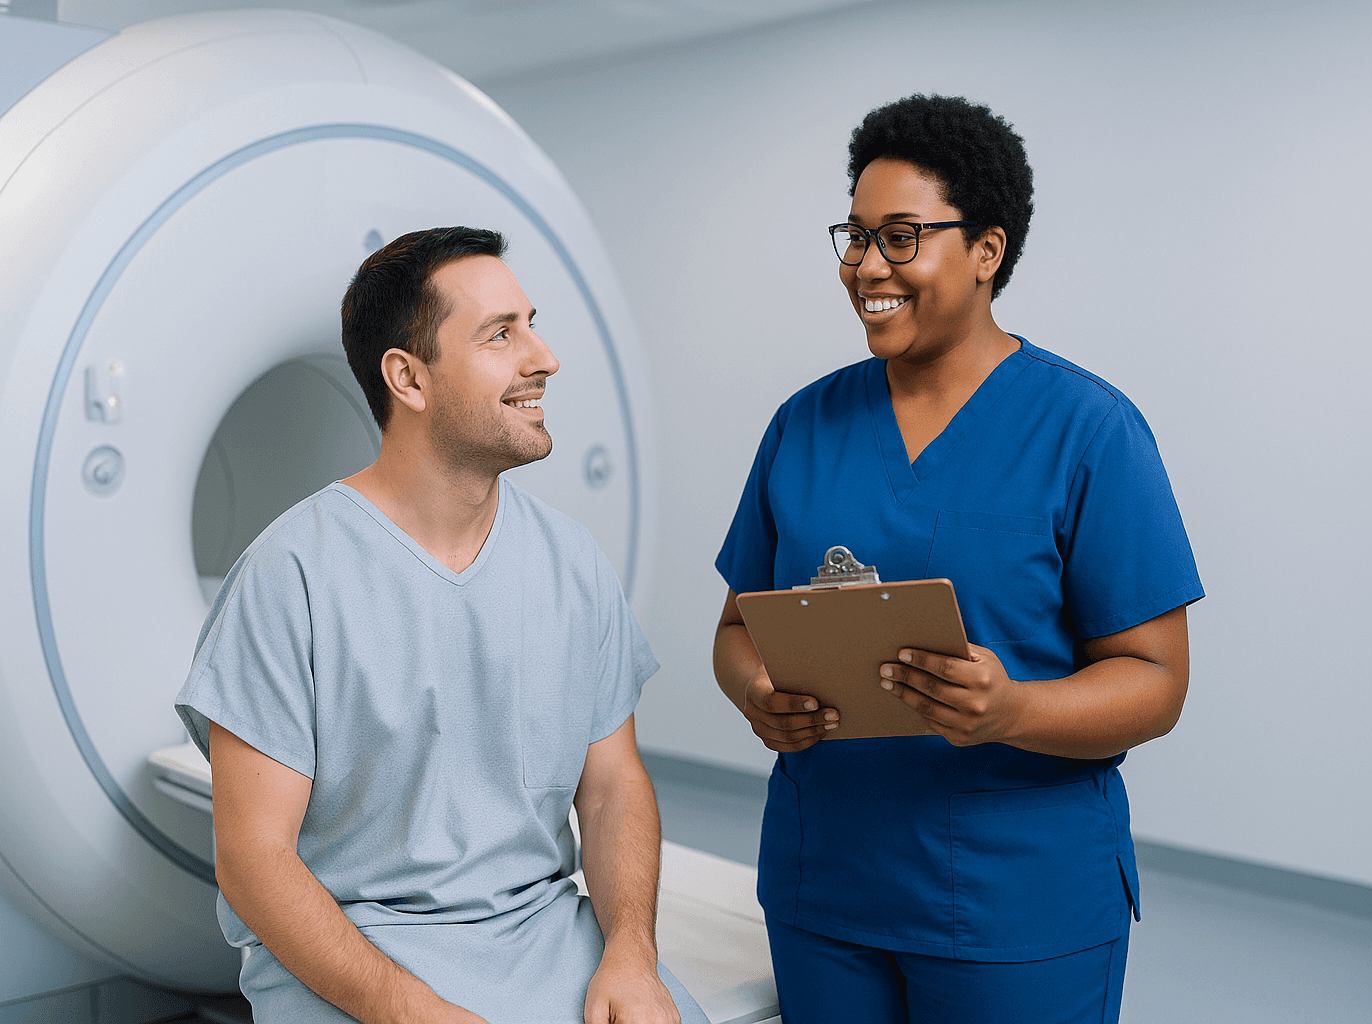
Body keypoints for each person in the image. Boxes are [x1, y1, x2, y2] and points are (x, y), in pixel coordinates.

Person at [713, 95, 1204, 1022]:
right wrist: (757, 695)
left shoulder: (1088, 431)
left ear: (988, 250)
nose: (867, 267)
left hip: (1016, 903)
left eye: (902, 238)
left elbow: (1156, 681)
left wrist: (1012, 707)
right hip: (828, 890)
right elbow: (739, 630)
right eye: (854, 238)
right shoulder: (803, 425)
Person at [175, 227, 706, 1024]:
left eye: (532, 322)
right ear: (408, 379)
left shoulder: (571, 562)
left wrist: (631, 954)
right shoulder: (292, 574)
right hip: (357, 954)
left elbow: (611, 790)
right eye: (502, 335)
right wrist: (409, 1009)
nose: (545, 357)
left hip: (543, 934)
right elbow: (254, 859)